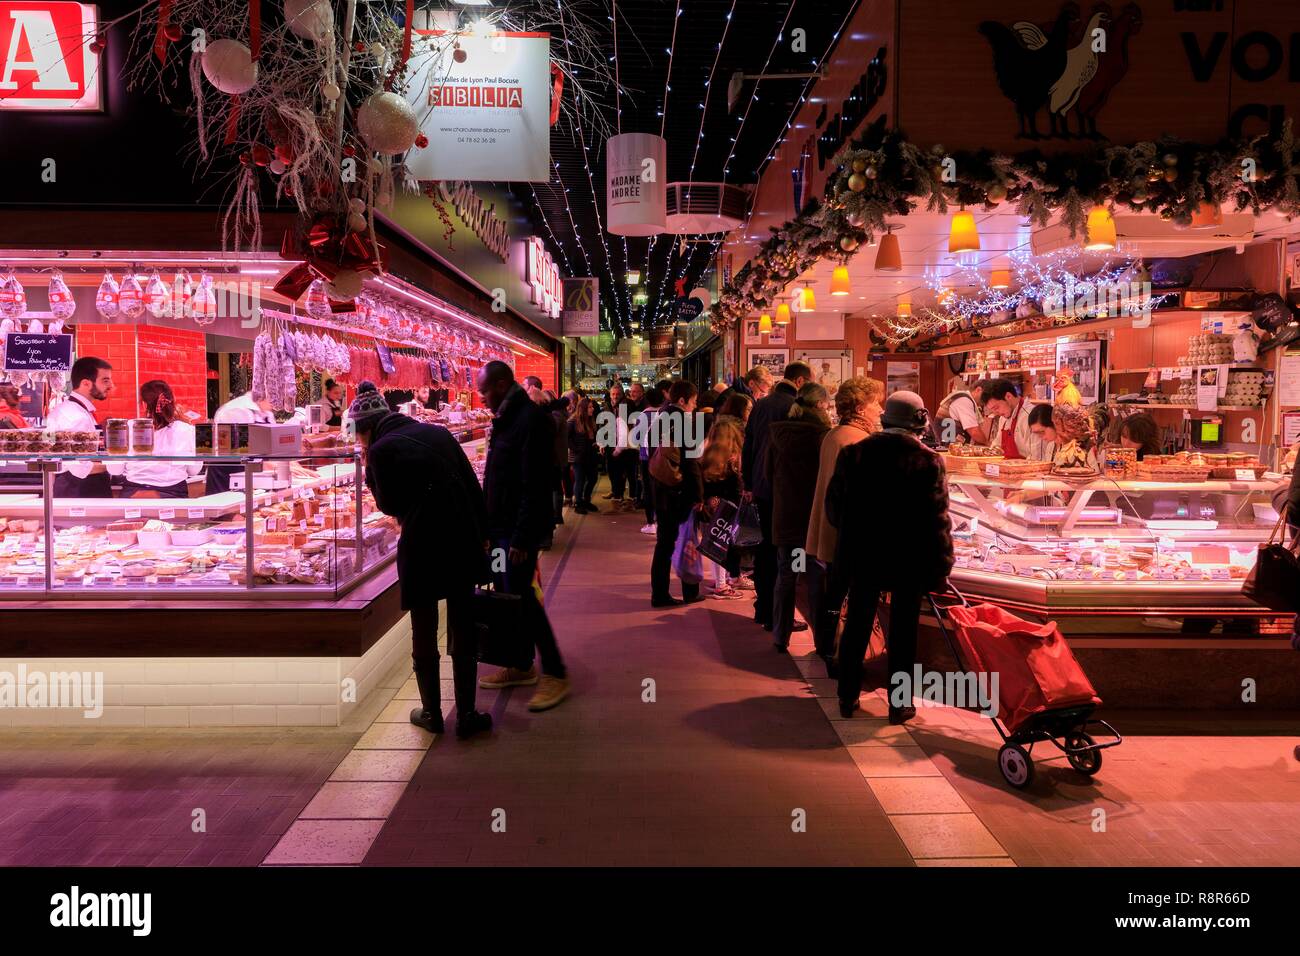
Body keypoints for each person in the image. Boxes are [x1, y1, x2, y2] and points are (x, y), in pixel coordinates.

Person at [350, 381, 492, 739]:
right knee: (463, 625)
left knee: (424, 628)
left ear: (366, 428)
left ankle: (431, 713)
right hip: (461, 539)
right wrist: (484, 537)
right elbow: (472, 486)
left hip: (422, 546)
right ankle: (467, 714)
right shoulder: (438, 433)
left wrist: (369, 469)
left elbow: (389, 505)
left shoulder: (381, 450)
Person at [826, 390, 953, 724]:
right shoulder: (928, 461)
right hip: (908, 559)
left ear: (885, 419)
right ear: (919, 421)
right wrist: (941, 568)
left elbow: (834, 508)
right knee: (903, 631)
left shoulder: (854, 454)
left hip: (862, 555)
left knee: (858, 623)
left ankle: (847, 694)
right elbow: (937, 521)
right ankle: (899, 704)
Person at [475, 361, 571, 712]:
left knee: (525, 598)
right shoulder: (506, 417)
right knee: (509, 595)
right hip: (501, 530)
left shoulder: (528, 420)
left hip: (517, 534)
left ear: (502, 385)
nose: (481, 397)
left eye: (484, 391)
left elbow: (535, 485)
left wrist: (521, 537)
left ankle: (555, 672)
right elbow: (498, 476)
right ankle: (520, 664)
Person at [806, 377, 883, 676]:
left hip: (829, 528)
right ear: (861, 408)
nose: (880, 409)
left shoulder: (833, 435)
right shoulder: (858, 440)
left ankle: (827, 647)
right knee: (849, 600)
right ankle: (843, 656)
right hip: (848, 533)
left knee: (833, 594)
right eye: (876, 403)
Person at [743, 361, 812, 630]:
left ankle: (764, 608)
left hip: (762, 485)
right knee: (788, 552)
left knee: (766, 548)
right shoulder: (796, 407)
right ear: (800, 381)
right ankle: (780, 615)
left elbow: (749, 445)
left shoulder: (761, 404)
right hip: (785, 489)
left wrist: (749, 482)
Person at [767, 383, 833, 650]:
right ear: (819, 405)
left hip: (786, 517)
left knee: (787, 576)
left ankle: (780, 636)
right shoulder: (822, 437)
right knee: (816, 579)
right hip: (812, 520)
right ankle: (822, 641)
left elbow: (768, 475)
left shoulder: (778, 433)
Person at [651, 380, 704, 607]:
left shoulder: (661, 416)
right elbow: (691, 462)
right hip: (678, 490)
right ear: (683, 400)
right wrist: (698, 495)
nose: (695, 406)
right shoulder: (684, 421)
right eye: (693, 401)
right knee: (682, 540)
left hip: (660, 486)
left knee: (664, 543)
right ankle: (676, 593)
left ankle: (660, 592)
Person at [105, 380, 202, 498]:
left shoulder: (126, 427)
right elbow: (193, 471)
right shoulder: (187, 429)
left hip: (134, 495)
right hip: (173, 495)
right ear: (172, 401)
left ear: (144, 404)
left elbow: (115, 470)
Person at [46, 356, 114, 498]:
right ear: (86, 383)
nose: (111, 385)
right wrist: (116, 466)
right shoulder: (76, 416)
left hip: (75, 487)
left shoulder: (68, 409)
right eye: (105, 380)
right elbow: (79, 467)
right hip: (81, 490)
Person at [699, 398, 746, 599]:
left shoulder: (706, 451)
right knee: (724, 545)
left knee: (715, 544)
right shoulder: (731, 458)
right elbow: (736, 485)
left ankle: (722, 581)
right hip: (728, 507)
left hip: (711, 506)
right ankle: (722, 585)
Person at [206, 388, 275, 494]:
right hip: (226, 473)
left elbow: (273, 446)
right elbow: (233, 447)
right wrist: (267, 463)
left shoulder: (267, 413)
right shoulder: (235, 410)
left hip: (251, 473)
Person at [983, 378, 1047, 460]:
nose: (996, 413)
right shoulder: (1003, 418)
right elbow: (996, 447)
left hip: (1028, 466)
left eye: (996, 408)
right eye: (992, 410)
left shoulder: (1031, 417)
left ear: (1008, 396)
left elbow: (1037, 459)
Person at [600, 382, 638, 509]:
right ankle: (617, 496)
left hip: (627, 445)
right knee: (613, 471)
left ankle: (630, 499)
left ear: (622, 394)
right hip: (611, 443)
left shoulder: (628, 404)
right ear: (610, 394)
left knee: (630, 473)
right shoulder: (607, 405)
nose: (615, 396)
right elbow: (604, 424)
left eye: (617, 394)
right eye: (613, 394)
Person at [636, 384, 664, 535]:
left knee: (648, 489)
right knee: (660, 489)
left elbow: (637, 437)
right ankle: (660, 521)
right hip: (662, 457)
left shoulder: (643, 416)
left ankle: (650, 522)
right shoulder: (665, 414)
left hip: (646, 457)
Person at [935, 375, 992, 445]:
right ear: (978, 390)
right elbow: (974, 431)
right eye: (986, 396)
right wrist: (988, 444)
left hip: (947, 443)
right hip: (947, 445)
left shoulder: (964, 398)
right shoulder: (964, 400)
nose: (987, 400)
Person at [568, 396, 600, 514]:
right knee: (580, 480)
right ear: (583, 409)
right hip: (579, 456)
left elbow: (591, 437)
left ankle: (586, 500)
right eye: (590, 407)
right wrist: (576, 449)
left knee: (593, 478)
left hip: (590, 454)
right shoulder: (573, 421)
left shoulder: (590, 420)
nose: (592, 409)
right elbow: (566, 438)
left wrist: (595, 443)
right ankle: (578, 503)